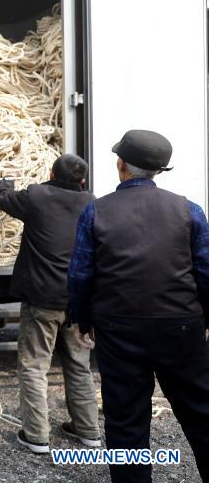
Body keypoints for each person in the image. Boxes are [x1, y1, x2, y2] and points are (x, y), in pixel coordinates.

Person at [68, 129, 209, 483]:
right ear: (160, 171)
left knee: (126, 420)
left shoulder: (95, 212)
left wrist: (82, 320)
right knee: (201, 412)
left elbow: (81, 274)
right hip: (180, 325)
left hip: (118, 327)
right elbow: (205, 270)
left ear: (121, 165)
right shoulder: (189, 211)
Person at [0, 154, 100, 454]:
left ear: (52, 173)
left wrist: (6, 178)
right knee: (80, 366)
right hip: (79, 302)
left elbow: (4, 199)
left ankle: (36, 436)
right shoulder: (93, 204)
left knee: (34, 367)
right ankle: (88, 431)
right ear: (82, 181)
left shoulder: (38, 196)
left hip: (42, 300)